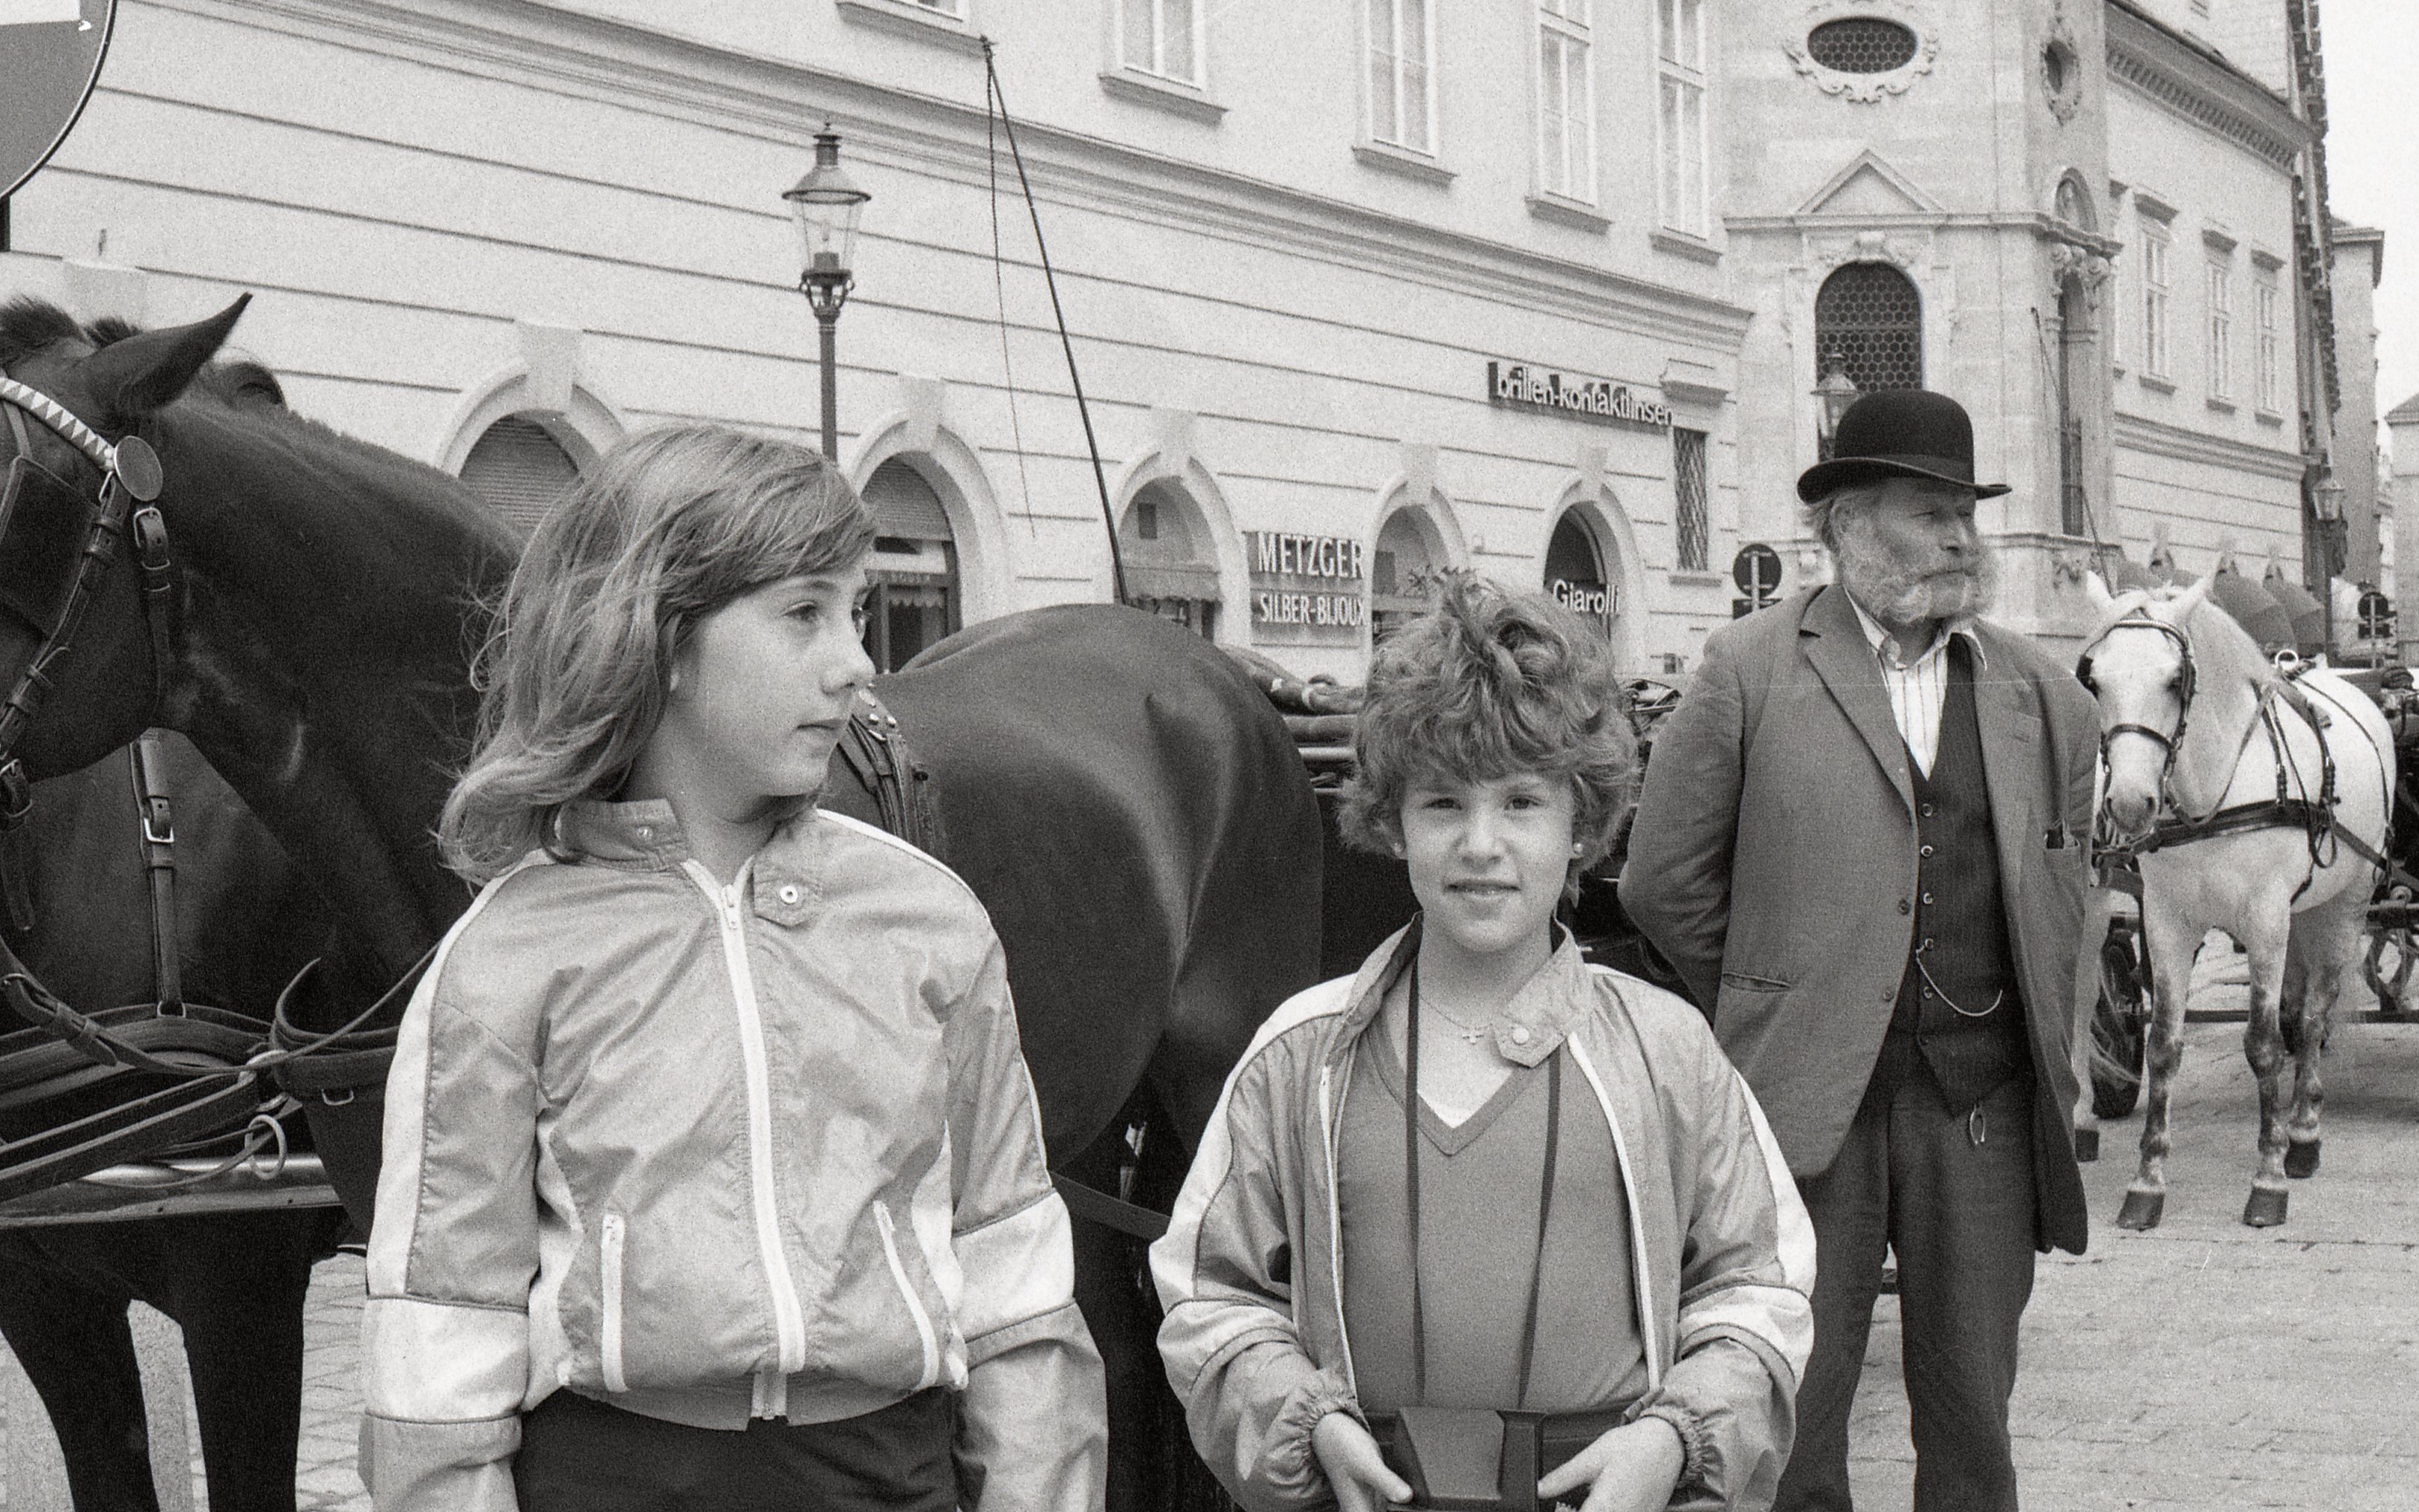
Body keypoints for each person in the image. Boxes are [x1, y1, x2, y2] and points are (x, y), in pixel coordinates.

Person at [359, 424, 1104, 1512]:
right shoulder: (505, 958)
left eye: (854, 611)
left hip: (890, 1479)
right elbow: (441, 1337)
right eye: (804, 612)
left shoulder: (927, 919)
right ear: (659, 638)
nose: (855, 660)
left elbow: (1015, 1280)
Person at [1153, 575, 1813, 1512]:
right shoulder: (1299, 1057)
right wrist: (1304, 1420)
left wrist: (1673, 1436)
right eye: (1441, 804)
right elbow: (1209, 1294)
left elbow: (1758, 1289)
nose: (1479, 843)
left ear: (1581, 822)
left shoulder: (1667, 1051)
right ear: (1390, 822)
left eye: (1520, 803)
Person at [1619, 389, 2094, 1512]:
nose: (1959, 537)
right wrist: (1773, 994)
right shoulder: (1747, 667)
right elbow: (1660, 879)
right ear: (1844, 525)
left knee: (1973, 1416)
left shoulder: (2041, 696)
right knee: (1793, 1407)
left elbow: (2062, 897)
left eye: (1964, 514)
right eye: (1929, 512)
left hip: (1978, 1107)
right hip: (1801, 1111)